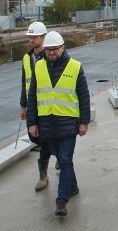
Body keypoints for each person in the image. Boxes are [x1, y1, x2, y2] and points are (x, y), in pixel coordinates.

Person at [27, 31, 90, 217]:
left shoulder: (75, 67)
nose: (52, 52)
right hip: (47, 124)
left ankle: (61, 201)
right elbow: (33, 96)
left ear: (63, 48)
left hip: (68, 123)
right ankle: (72, 186)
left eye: (55, 49)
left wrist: (84, 122)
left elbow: (84, 96)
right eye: (48, 50)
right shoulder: (38, 67)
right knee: (61, 159)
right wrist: (32, 123)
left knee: (65, 160)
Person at [20, 21, 55, 192]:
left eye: (34, 37)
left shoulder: (51, 56)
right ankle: (53, 161)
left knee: (47, 139)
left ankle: (43, 175)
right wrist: (23, 105)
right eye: (30, 37)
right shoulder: (27, 59)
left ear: (44, 37)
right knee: (37, 138)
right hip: (34, 106)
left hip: (50, 106)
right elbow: (24, 82)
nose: (31, 40)